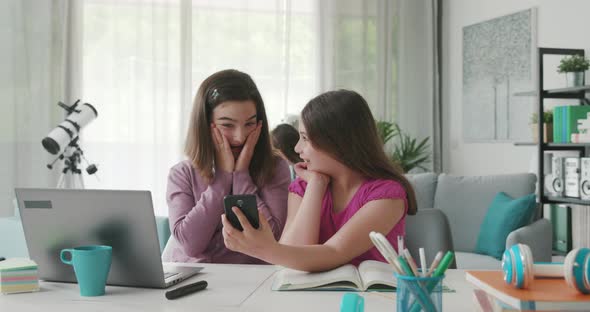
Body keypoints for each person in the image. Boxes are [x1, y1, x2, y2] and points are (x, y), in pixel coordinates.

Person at [221, 89, 417, 272]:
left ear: (337, 142)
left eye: (305, 138)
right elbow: (294, 256)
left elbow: (335, 252)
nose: (297, 149)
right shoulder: (303, 187)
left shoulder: (387, 196)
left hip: (375, 298)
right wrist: (316, 185)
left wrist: (263, 249)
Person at [165, 69, 291, 263]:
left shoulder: (274, 168)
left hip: (252, 282)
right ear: (205, 125)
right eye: (228, 125)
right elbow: (190, 245)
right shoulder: (182, 174)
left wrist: (241, 175)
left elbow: (272, 238)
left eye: (249, 124)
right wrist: (223, 177)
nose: (240, 137)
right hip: (195, 281)